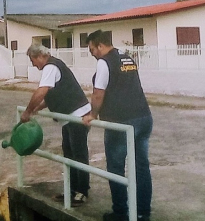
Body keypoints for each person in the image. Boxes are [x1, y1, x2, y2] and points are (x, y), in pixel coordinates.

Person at [82, 30, 153, 221]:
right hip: (143, 117)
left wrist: (92, 114)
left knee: (115, 166)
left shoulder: (104, 63)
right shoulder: (127, 59)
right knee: (141, 167)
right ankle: (142, 213)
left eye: (92, 50)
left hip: (121, 121)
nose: (92, 54)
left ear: (100, 46)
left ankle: (121, 212)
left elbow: (98, 94)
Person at [21, 44, 91, 207]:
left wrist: (28, 111)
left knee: (78, 154)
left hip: (77, 116)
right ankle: (73, 190)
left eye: (33, 61)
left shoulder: (50, 67)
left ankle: (82, 192)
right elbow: (54, 95)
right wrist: (38, 108)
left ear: (39, 56)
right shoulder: (54, 65)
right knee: (69, 153)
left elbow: (42, 91)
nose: (33, 65)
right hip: (70, 117)